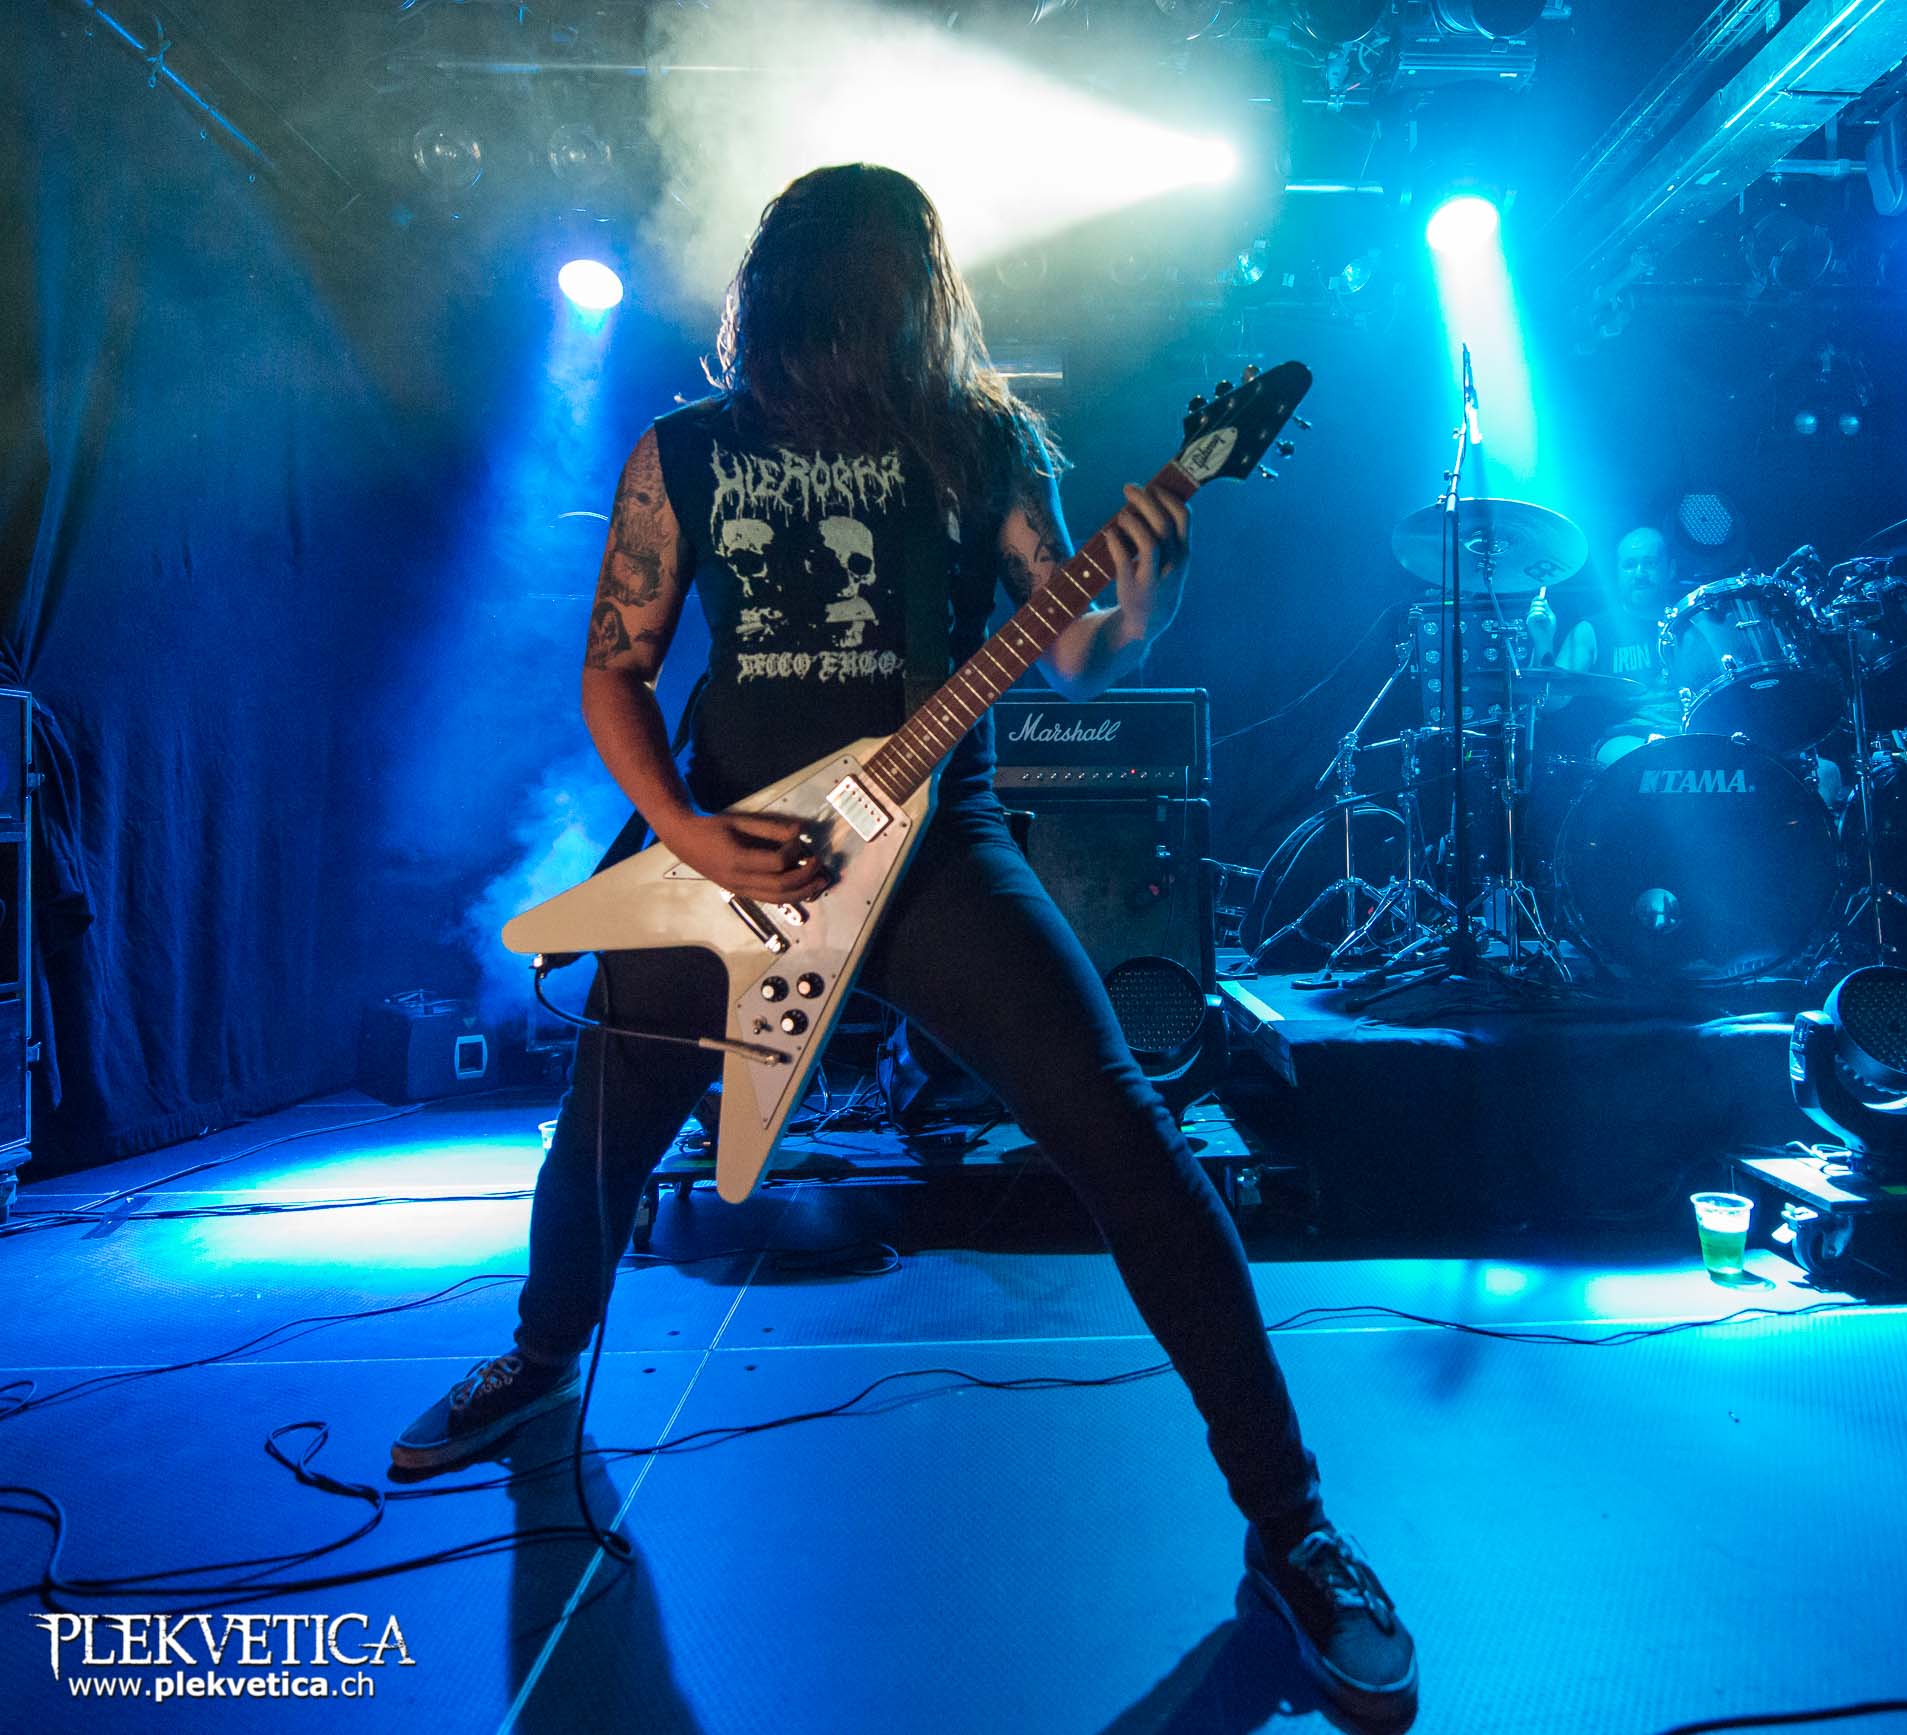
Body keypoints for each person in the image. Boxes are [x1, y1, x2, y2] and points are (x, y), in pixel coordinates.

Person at [390, 164, 1414, 1720]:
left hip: (940, 852)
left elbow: (1075, 653)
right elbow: (616, 669)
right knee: (603, 1129)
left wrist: (1160, 554)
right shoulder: (687, 450)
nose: (889, 309)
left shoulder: (980, 440)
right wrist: (686, 830)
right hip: (733, 850)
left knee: (1129, 1140)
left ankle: (1295, 1524)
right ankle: (538, 1361)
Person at [1527, 524, 1688, 765]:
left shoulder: (1694, 626)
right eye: (1629, 565)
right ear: (1617, 573)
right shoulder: (1591, 630)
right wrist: (1543, 640)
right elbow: (1550, 702)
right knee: (1649, 763)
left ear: (1670, 569)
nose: (1640, 573)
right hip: (1625, 742)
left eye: (1650, 563)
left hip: (1693, 735)